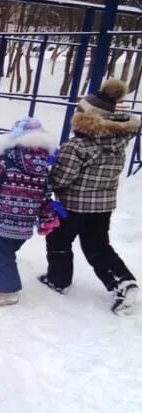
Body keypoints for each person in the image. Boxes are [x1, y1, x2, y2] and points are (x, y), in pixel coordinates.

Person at [38, 78, 139, 314]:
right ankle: (122, 281)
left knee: (58, 241)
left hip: (70, 207)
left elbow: (62, 178)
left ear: (85, 119)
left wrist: (47, 181)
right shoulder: (117, 143)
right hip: (102, 208)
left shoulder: (77, 146)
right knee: (98, 246)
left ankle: (58, 280)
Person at [0, 117, 60, 306]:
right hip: (24, 226)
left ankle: (8, 292)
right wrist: (47, 219)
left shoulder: (4, 161)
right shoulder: (44, 168)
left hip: (1, 221)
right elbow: (46, 197)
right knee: (5, 253)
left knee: (1, 255)